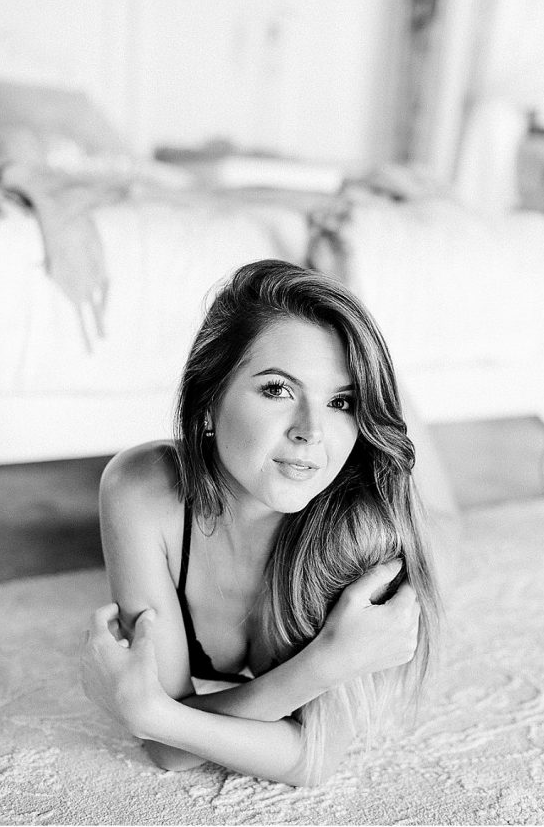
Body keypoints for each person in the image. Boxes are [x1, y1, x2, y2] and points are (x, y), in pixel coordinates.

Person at [80, 259, 440, 787]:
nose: (311, 431)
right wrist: (328, 661)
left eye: (341, 401)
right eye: (278, 390)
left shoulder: (364, 534)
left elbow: (309, 760)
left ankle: (342, 275)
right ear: (207, 400)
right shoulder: (140, 487)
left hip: (431, 527)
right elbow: (169, 747)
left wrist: (153, 715)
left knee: (441, 509)